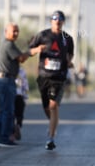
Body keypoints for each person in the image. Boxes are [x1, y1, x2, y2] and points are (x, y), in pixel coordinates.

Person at [29, 10, 74, 150]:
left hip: (59, 77)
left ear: (63, 22)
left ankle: (51, 137)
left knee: (53, 105)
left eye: (60, 19)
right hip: (43, 76)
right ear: (51, 21)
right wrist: (37, 50)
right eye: (55, 19)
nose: (57, 21)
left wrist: (69, 61)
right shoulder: (42, 35)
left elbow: (70, 55)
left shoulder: (68, 38)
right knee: (46, 107)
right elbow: (29, 50)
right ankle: (53, 124)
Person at [0, 23, 45, 147]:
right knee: (8, 111)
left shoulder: (7, 44)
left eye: (17, 31)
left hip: (4, 81)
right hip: (6, 81)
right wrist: (33, 51)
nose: (16, 33)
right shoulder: (8, 44)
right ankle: (3, 137)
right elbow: (21, 58)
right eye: (13, 31)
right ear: (6, 32)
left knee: (4, 110)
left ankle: (1, 136)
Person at [13, 66, 29, 141]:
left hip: (8, 94)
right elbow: (25, 86)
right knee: (19, 115)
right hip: (19, 95)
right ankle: (18, 125)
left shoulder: (2, 68)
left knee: (7, 114)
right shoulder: (21, 70)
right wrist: (25, 97)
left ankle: (10, 131)